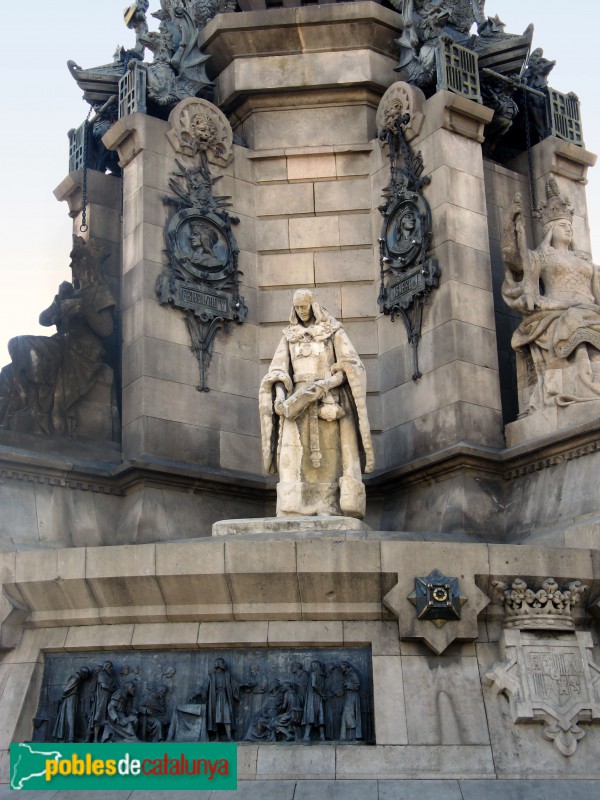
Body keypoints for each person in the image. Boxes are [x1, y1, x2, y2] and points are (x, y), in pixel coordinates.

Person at [259, 289, 374, 518]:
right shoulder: (288, 335)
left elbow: (351, 365)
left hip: (327, 398)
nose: (301, 311)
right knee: (294, 462)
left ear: (313, 305)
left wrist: (328, 384)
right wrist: (280, 396)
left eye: (304, 306)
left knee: (330, 460)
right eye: (297, 307)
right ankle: (294, 507)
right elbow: (279, 371)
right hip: (297, 404)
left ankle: (329, 507)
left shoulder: (333, 331)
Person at [0, 236, 115, 437]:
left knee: (23, 345)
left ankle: (36, 412)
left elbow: (107, 330)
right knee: (11, 365)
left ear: (88, 265)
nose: (74, 267)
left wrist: (86, 310)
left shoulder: (99, 291)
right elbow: (43, 319)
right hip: (60, 344)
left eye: (78, 262)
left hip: (82, 351)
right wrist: (59, 300)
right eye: (73, 263)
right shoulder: (71, 292)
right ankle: (24, 410)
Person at [501, 178, 600, 413]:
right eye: (562, 224)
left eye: (569, 224)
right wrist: (510, 224)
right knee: (573, 320)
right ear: (550, 229)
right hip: (556, 310)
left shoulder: (584, 260)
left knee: (582, 317)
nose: (568, 228)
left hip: (589, 309)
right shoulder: (540, 257)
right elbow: (512, 257)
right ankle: (586, 387)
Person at [52, 666, 91, 742]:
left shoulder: (79, 679)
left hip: (74, 697)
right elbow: (66, 689)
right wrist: (63, 697)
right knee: (70, 717)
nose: (86, 677)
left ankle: (71, 737)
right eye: (86, 675)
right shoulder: (75, 678)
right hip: (70, 699)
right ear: (83, 673)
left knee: (72, 717)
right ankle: (69, 738)